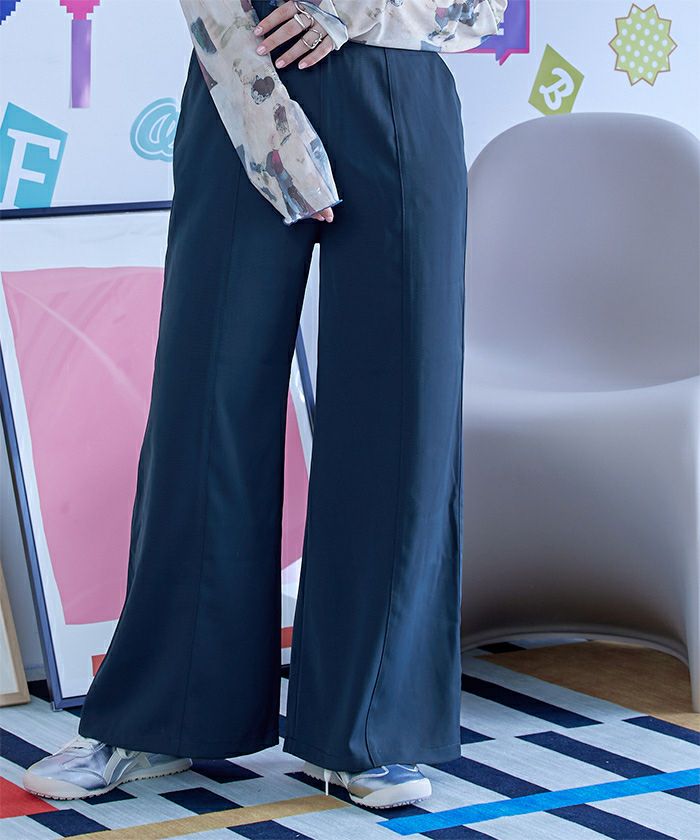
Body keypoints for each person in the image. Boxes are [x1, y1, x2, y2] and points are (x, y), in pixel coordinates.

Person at [23, 0, 507, 810]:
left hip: (403, 85)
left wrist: (349, 11)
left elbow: (482, 9)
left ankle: (365, 730)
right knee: (205, 405)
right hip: (243, 86)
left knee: (400, 419)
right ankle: (161, 717)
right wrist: (264, 118)